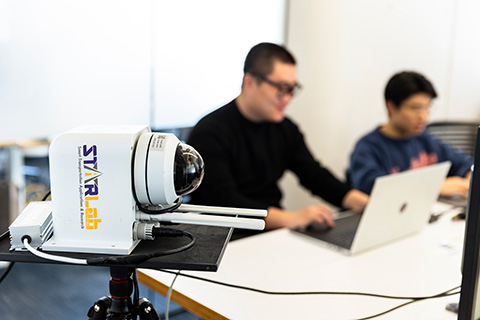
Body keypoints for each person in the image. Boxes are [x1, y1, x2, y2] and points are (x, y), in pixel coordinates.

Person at [187, 42, 368, 238]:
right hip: (221, 239)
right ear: (249, 83)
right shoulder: (210, 131)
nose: (288, 98)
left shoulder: (285, 130)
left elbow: (315, 176)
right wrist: (291, 218)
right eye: (282, 88)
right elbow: (225, 202)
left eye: (292, 89)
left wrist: (364, 203)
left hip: (270, 233)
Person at [348, 71, 472, 198]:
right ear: (391, 106)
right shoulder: (368, 147)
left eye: (427, 108)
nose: (423, 116)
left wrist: (470, 175)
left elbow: (465, 164)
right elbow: (373, 189)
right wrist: (433, 187)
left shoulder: (424, 139)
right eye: (416, 108)